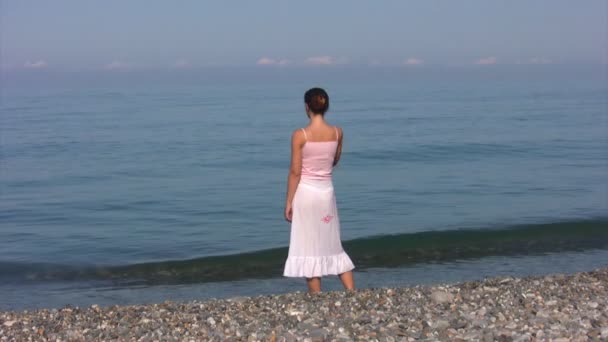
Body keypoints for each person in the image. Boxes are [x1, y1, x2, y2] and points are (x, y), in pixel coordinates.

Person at [283, 87, 355, 293]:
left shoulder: (300, 135)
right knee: (333, 242)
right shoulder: (337, 132)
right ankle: (351, 291)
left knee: (309, 246)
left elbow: (295, 171)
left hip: (306, 193)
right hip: (326, 193)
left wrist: (289, 201)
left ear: (307, 107)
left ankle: (317, 296)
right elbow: (334, 160)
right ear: (326, 106)